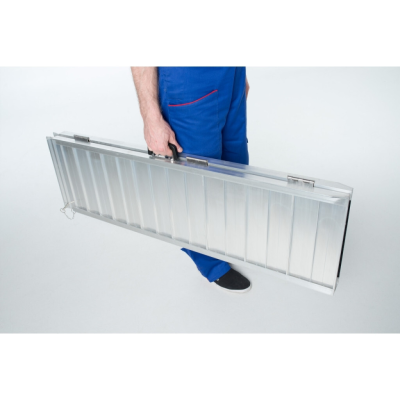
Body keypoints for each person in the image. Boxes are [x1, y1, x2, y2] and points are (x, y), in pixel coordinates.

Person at [131, 67, 251, 293]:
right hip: (189, 80)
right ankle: (210, 262)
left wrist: (239, 74)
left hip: (230, 72)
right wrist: (151, 117)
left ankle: (227, 235)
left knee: (235, 162)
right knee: (196, 181)